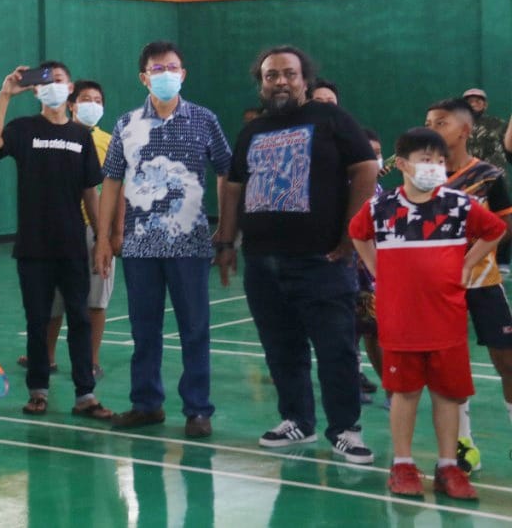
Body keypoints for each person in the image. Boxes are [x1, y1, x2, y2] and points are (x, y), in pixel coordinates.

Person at [216, 46, 379, 464]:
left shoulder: (331, 119)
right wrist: (226, 242)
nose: (281, 81)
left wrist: (352, 232)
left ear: (305, 79)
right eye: (271, 75)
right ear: (261, 83)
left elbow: (366, 168)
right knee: (281, 347)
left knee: (336, 348)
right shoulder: (252, 131)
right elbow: (233, 186)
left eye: (289, 73)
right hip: (262, 261)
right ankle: (297, 420)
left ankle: (345, 428)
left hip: (321, 261)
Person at [349, 127, 504, 500]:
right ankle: (402, 464)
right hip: (400, 321)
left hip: (447, 320)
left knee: (448, 395)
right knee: (404, 394)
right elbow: (357, 233)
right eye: (425, 160)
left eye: (439, 161)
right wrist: (376, 267)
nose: (434, 167)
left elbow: (495, 229)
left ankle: (448, 466)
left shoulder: (459, 204)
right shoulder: (380, 207)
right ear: (402, 164)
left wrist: (467, 264)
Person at [95, 42, 231, 439]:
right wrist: (103, 238)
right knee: (144, 330)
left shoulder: (204, 119)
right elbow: (111, 181)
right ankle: (146, 404)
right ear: (144, 77)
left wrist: (225, 227)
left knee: (195, 329)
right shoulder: (126, 124)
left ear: (183, 74)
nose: (166, 74)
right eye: (158, 69)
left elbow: (226, 171)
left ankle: (197, 409)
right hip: (139, 247)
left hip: (190, 245)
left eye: (173, 68)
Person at [0, 60, 111, 420]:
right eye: (45, 81)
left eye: (59, 80)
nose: (53, 85)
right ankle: (38, 391)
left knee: (80, 319)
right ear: (36, 90)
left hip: (73, 246)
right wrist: (5, 94)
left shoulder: (81, 136)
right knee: (37, 320)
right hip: (33, 247)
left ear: (69, 89)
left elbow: (90, 192)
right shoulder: (24, 129)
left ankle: (85, 394)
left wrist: (101, 239)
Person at [424, 97, 512, 474]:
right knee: (448, 367)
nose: (431, 129)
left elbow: (504, 225)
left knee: (507, 361)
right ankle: (463, 443)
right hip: (440, 289)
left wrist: (470, 258)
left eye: (440, 123)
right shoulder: (422, 177)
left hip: (483, 281)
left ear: (464, 130)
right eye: (428, 122)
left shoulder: (489, 175)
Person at [15, 79, 119, 377]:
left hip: (95, 231)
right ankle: (45, 357)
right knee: (53, 303)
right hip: (60, 232)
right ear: (71, 104)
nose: (92, 105)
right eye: (86, 99)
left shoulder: (110, 142)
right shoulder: (51, 135)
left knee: (95, 300)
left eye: (98, 101)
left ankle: (91, 361)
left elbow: (115, 189)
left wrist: (111, 233)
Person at [354, 129, 386, 403]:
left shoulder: (380, 190)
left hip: (374, 273)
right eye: (370, 153)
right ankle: (351, 382)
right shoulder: (345, 187)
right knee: (347, 332)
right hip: (346, 270)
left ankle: (392, 389)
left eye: (379, 153)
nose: (376, 159)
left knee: (376, 332)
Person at [464, 88, 507, 171]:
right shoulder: (458, 127)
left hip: (492, 173)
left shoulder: (498, 124)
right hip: (466, 173)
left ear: (485, 105)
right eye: (470, 102)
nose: (473, 104)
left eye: (478, 101)